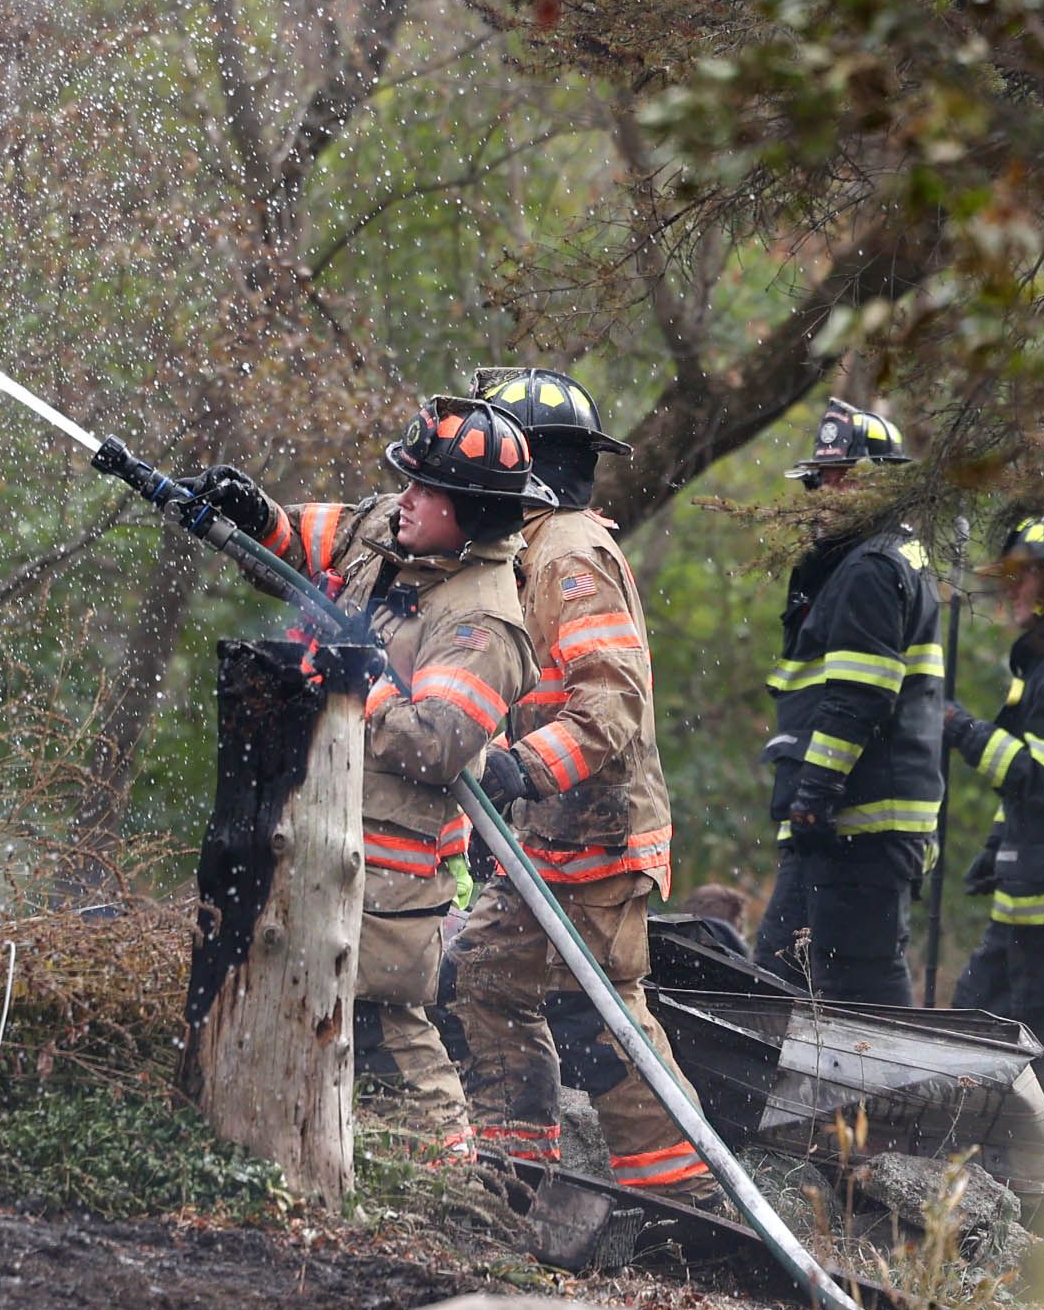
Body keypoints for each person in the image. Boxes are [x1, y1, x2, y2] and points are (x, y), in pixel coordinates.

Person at [187, 398, 547, 1153]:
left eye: (425, 491)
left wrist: (363, 669)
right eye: (405, 483)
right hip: (304, 812)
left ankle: (454, 1197)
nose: (403, 500)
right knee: (271, 987)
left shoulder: (482, 623)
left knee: (385, 1034)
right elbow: (302, 546)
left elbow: (434, 745)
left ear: (472, 512)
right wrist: (255, 515)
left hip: (387, 865)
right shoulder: (393, 525)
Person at [445, 369, 714, 1200]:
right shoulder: (530, 549)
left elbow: (612, 701)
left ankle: (685, 1199)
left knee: (604, 1020)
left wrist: (520, 772)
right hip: (555, 833)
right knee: (481, 977)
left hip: (598, 833)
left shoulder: (567, 556)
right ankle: (515, 1169)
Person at [753, 398, 946, 1003]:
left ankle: (911, 1100)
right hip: (846, 821)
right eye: (822, 478)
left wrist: (815, 793)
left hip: (856, 821)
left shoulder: (869, 567)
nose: (826, 493)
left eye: (845, 479)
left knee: (855, 987)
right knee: (784, 974)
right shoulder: (873, 561)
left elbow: (859, 696)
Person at [947, 512, 1044, 1100]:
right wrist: (997, 847)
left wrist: (961, 729)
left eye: (1025, 576)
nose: (1011, 589)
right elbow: (1028, 794)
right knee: (972, 1036)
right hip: (1032, 914)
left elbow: (1043, 782)